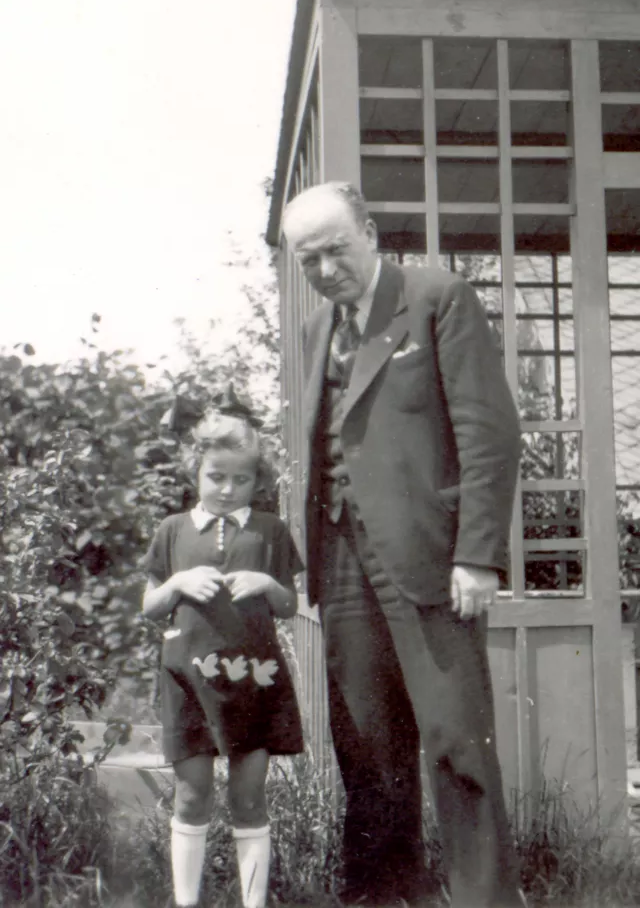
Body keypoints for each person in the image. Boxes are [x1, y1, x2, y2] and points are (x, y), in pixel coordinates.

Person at [282, 182, 524, 908]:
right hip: (342, 559)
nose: (325, 271)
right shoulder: (314, 331)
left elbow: (490, 435)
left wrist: (477, 553)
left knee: (455, 742)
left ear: (372, 233)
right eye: (308, 261)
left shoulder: (436, 296)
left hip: (429, 559)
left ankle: (483, 897)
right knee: (366, 747)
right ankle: (387, 895)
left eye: (336, 251)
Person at [142, 387, 304, 908]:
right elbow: (150, 603)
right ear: (196, 471)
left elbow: (286, 604)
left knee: (249, 796)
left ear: (259, 480)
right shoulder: (171, 532)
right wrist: (178, 585)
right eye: (217, 476)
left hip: (251, 679)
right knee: (191, 794)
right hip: (188, 679)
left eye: (242, 479)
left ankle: (252, 903)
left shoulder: (270, 530)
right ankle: (186, 902)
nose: (228, 488)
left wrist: (266, 583)